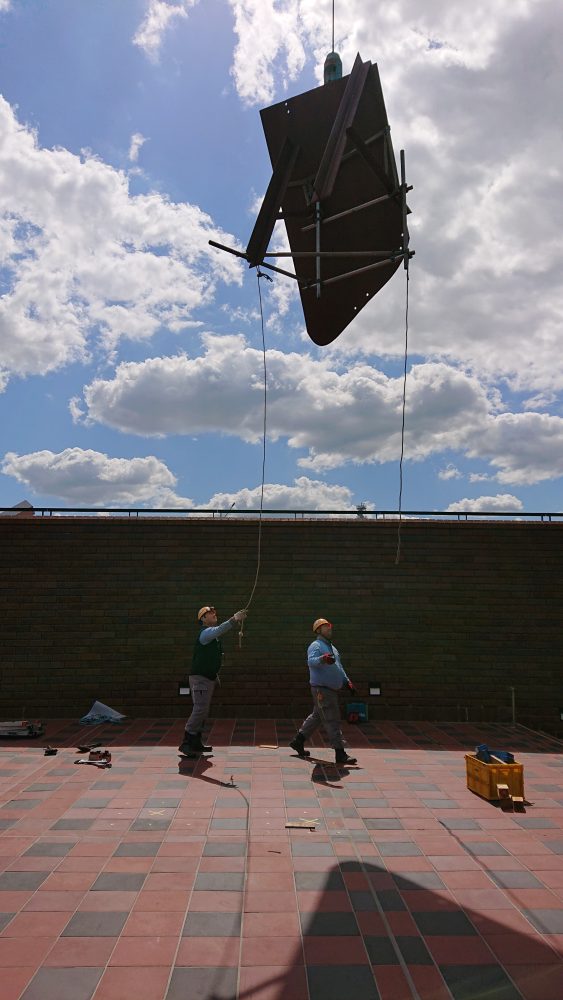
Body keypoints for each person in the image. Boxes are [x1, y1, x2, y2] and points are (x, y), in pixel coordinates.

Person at [178, 605, 247, 756]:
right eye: (210, 613)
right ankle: (186, 742)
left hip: (207, 678)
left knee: (203, 710)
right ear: (203, 618)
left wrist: (215, 675)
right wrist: (234, 619)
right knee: (200, 709)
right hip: (200, 679)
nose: (214, 614)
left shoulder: (212, 636)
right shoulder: (205, 633)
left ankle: (196, 741)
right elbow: (219, 629)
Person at [290, 618, 358, 765]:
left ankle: (298, 740)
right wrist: (323, 659)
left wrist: (347, 681)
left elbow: (339, 667)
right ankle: (340, 753)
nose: (329, 629)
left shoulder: (332, 648)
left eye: (329, 626)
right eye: (325, 627)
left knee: (317, 716)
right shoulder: (316, 645)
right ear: (318, 630)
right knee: (332, 719)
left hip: (329, 690)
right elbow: (311, 661)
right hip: (322, 689)